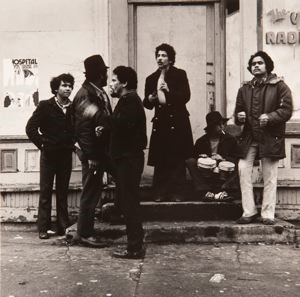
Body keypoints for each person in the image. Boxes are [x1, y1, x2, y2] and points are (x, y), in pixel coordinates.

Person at [234, 51, 293, 225]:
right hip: (250, 137)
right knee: (243, 169)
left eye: (260, 63)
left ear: (267, 66)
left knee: (270, 175)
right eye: (253, 64)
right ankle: (249, 211)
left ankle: (267, 214)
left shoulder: (280, 86)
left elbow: (286, 110)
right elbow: (237, 112)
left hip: (270, 137)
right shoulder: (244, 89)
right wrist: (240, 117)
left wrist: (271, 117)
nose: (256, 66)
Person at [26, 73, 75, 239]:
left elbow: (76, 129)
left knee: (63, 191)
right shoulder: (45, 106)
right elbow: (30, 128)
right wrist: (43, 144)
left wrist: (72, 144)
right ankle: (43, 228)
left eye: (70, 86)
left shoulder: (73, 108)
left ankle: (63, 226)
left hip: (65, 156)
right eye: (64, 85)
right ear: (56, 88)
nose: (67, 88)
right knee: (46, 191)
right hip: (48, 156)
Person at [143, 43, 193, 202]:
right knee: (161, 159)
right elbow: (147, 103)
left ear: (170, 59)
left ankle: (178, 193)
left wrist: (169, 91)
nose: (160, 58)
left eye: (163, 55)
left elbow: (186, 96)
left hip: (178, 122)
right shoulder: (151, 78)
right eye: (158, 55)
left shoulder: (180, 74)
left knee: (177, 158)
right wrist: (150, 99)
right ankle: (159, 193)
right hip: (161, 123)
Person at [72, 54, 113, 247]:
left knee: (93, 191)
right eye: (105, 71)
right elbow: (83, 131)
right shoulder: (85, 95)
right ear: (99, 74)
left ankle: (86, 231)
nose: (107, 75)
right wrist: (93, 156)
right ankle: (84, 234)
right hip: (94, 155)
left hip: (101, 152)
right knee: (90, 193)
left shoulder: (96, 92)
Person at [107, 66, 147, 259]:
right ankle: (136, 241)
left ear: (124, 83)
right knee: (127, 201)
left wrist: (105, 122)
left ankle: (135, 247)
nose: (111, 84)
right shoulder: (127, 100)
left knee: (129, 203)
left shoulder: (130, 100)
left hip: (129, 159)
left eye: (114, 80)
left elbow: (123, 126)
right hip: (126, 158)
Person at [186, 111, 239, 201]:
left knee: (241, 163)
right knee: (190, 161)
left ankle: (225, 191)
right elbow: (193, 156)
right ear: (211, 127)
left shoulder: (230, 139)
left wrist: (223, 158)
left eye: (222, 124)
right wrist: (201, 157)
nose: (222, 127)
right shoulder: (201, 141)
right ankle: (205, 191)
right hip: (207, 174)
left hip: (224, 175)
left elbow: (237, 156)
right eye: (218, 125)